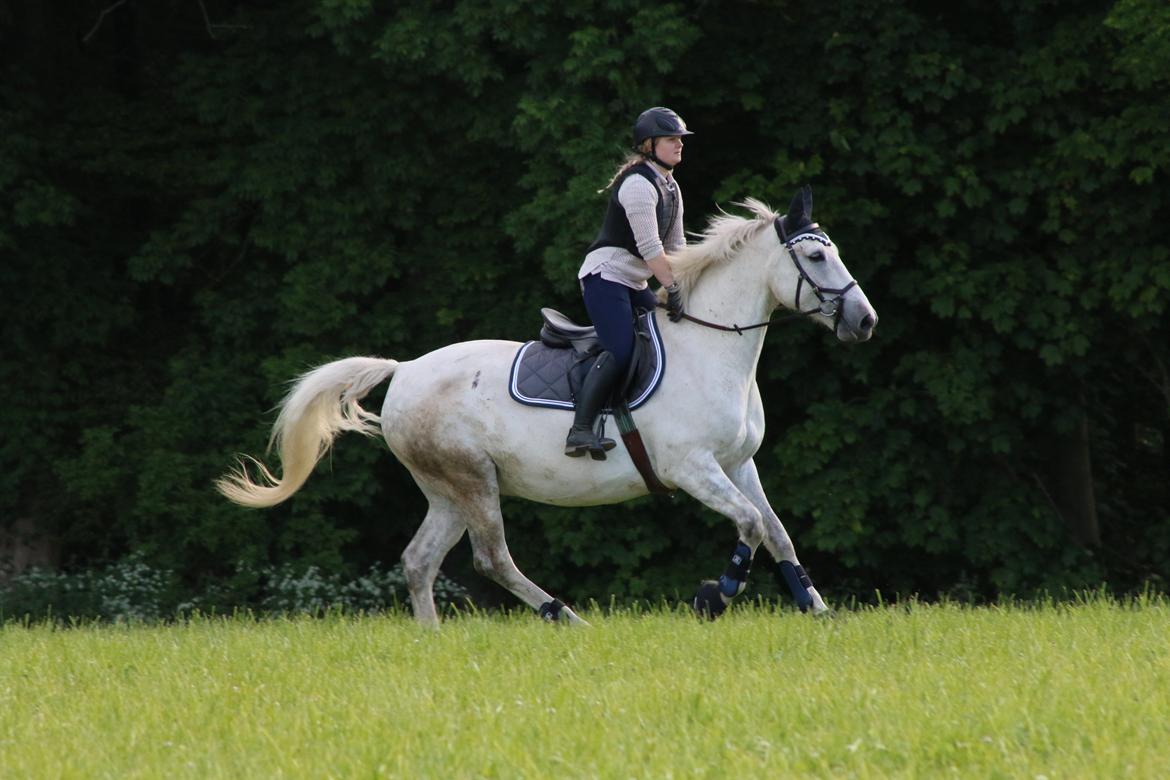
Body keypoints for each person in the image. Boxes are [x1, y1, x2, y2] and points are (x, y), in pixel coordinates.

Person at [564, 106, 691, 460]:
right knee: (620, 350)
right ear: (649, 145)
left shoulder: (671, 186)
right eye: (671, 139)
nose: (679, 145)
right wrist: (673, 287)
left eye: (681, 139)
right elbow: (652, 248)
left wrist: (683, 286)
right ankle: (580, 429)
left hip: (634, 282)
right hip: (606, 276)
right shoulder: (637, 185)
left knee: (669, 334)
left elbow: (676, 248)